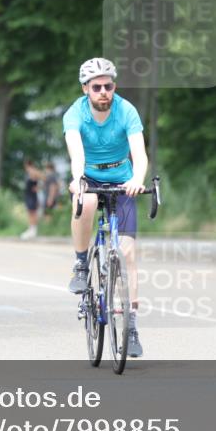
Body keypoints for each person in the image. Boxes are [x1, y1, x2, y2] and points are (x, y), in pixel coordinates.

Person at [64, 57, 148, 358]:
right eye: (96, 87)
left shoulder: (126, 110)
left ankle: (131, 326)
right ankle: (81, 263)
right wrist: (78, 180)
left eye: (108, 86)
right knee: (86, 200)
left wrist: (137, 180)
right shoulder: (75, 114)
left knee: (128, 253)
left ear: (114, 87)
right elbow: (76, 154)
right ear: (85, 89)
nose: (103, 92)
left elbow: (140, 154)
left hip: (122, 179)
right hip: (89, 176)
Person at [20, 160, 43, 240]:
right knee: (30, 212)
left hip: (32, 196)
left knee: (33, 213)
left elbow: (44, 179)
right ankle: (31, 229)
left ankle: (33, 230)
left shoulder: (33, 172)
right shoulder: (28, 173)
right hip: (28, 195)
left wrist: (38, 187)